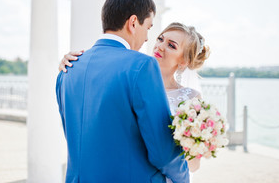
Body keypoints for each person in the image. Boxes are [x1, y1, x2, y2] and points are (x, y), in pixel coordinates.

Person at [56, 0, 189, 183]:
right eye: (148, 28)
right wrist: (184, 178)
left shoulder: (67, 69)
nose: (146, 38)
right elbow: (163, 152)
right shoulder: (142, 65)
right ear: (133, 23)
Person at [59, 22, 210, 181]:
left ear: (184, 61)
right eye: (160, 39)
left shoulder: (191, 100)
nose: (160, 46)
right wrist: (72, 65)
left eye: (171, 46)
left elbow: (194, 164)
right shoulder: (131, 75)